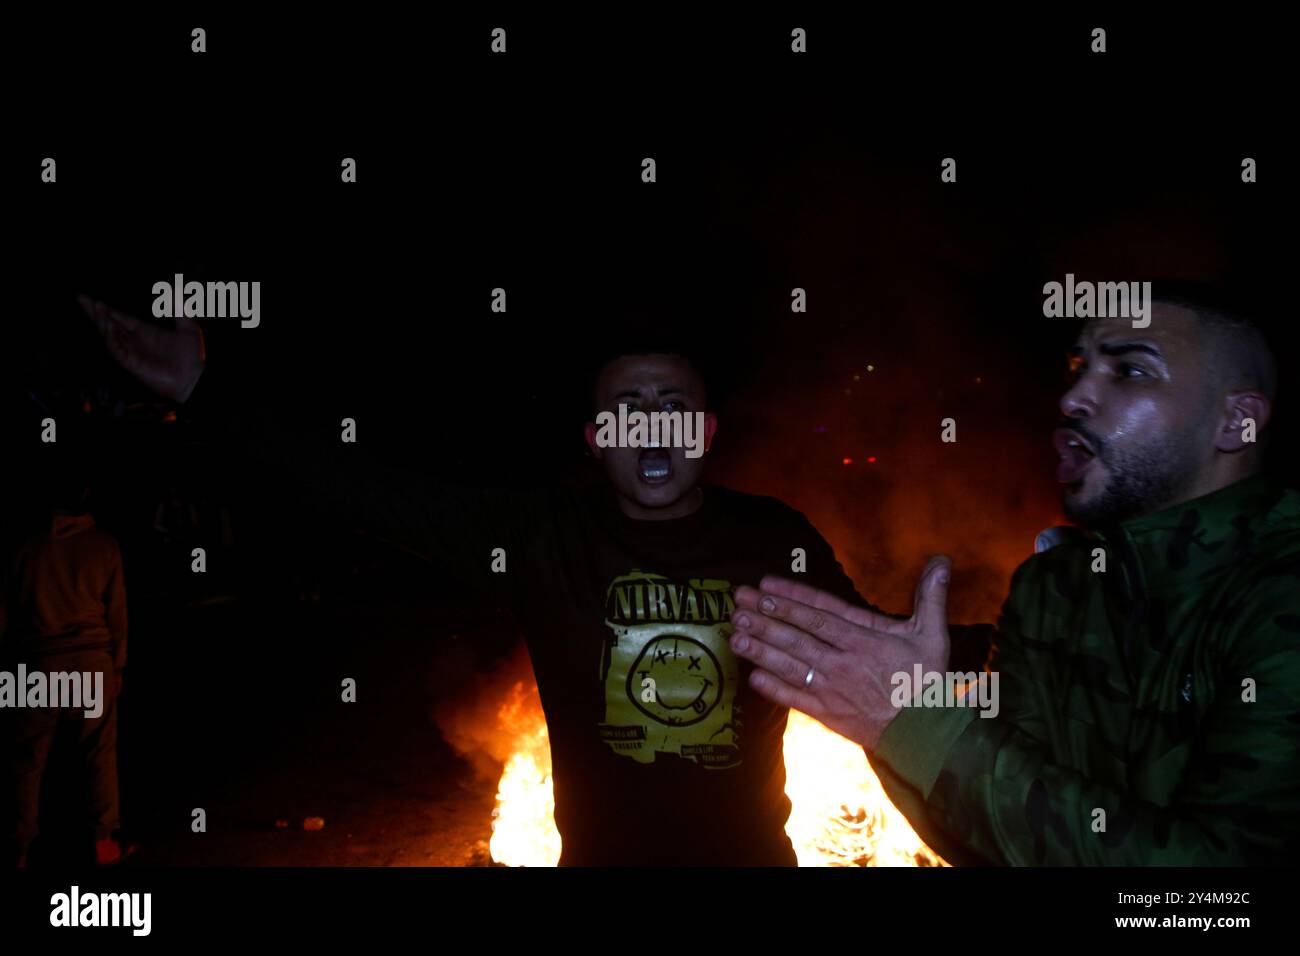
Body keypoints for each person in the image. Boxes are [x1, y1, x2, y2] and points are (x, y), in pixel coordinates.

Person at [79, 297, 870, 865]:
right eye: (628, 406)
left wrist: (983, 657)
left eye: (673, 403)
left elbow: (891, 656)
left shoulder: (772, 536)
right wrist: (203, 395)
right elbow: (365, 491)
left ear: (703, 431)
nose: (652, 420)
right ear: (598, 440)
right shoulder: (544, 534)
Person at [728, 285, 1300, 864]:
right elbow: (998, 836)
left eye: (1129, 371)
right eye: (1079, 367)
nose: (1074, 396)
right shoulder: (1052, 587)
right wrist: (906, 718)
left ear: (1237, 422)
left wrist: (914, 726)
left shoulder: (1278, 590)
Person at [2, 469, 129, 867]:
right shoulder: (105, 546)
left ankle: (18, 848)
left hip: (39, 663)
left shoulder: (24, 548)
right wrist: (118, 666)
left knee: (27, 760)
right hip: (91, 662)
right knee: (98, 753)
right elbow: (118, 615)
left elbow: (6, 616)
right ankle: (102, 842)